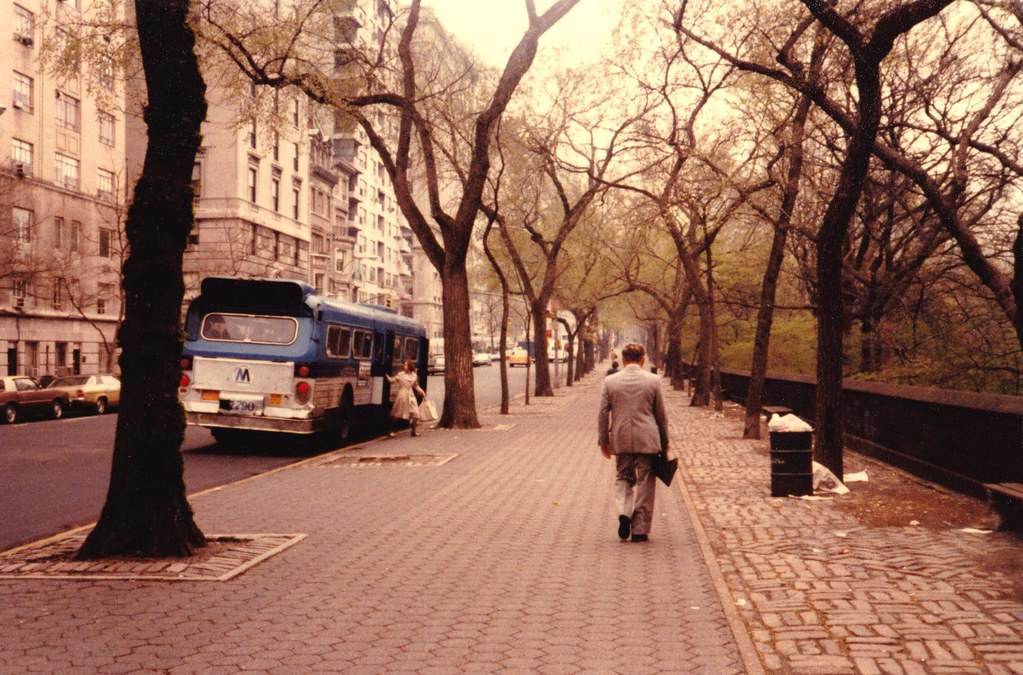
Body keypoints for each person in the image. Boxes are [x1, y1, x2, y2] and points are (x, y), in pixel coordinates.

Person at [597, 342, 669, 542]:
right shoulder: (653, 380)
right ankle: (640, 529)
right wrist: (665, 441)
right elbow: (661, 415)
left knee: (623, 477)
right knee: (646, 481)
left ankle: (624, 512)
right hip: (647, 438)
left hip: (621, 438)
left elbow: (603, 413)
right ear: (643, 359)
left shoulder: (610, 381)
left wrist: (604, 441)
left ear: (623, 359)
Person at [386, 359, 426, 437]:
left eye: (405, 365)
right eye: (404, 365)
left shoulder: (414, 375)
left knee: (416, 414)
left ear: (409, 366)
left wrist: (422, 392)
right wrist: (386, 375)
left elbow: (416, 386)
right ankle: (391, 431)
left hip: (411, 396)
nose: (404, 366)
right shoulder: (400, 374)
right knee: (396, 414)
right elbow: (392, 381)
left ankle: (413, 432)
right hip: (402, 395)